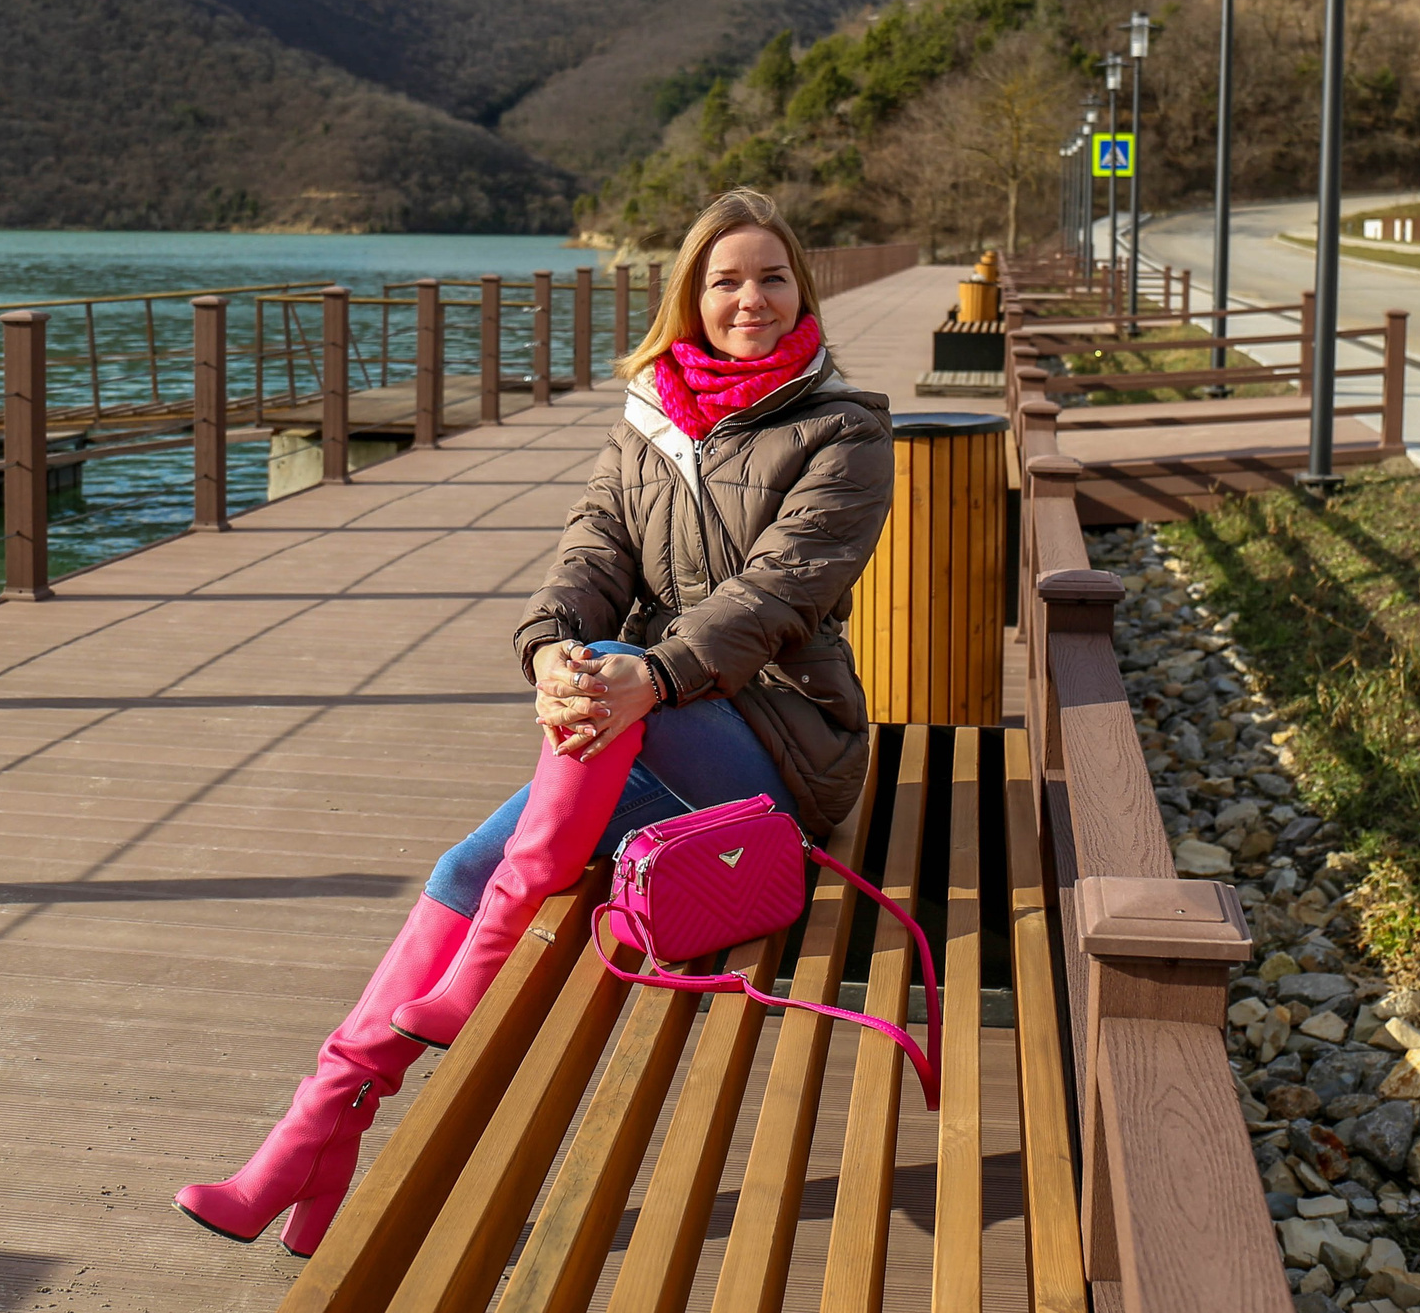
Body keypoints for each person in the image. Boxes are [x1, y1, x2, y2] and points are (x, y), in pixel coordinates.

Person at [175, 187, 894, 1256]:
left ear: (803, 291)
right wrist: (551, 647)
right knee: (467, 863)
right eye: (725, 280)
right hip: (639, 715)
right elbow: (588, 560)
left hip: (785, 745)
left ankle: (433, 1018)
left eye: (771, 277)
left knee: (599, 697)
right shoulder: (647, 423)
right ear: (690, 299)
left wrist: (645, 672)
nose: (750, 298)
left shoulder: (842, 427)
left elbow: (781, 596)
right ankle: (311, 1134)